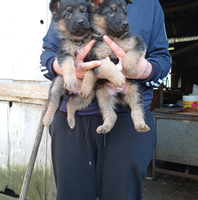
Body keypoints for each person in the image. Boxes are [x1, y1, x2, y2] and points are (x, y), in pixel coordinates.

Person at [40, 0, 171, 199]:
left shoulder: (149, 4)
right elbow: (47, 55)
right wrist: (67, 69)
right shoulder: (71, 2)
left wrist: (141, 69)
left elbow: (162, 59)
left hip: (127, 121)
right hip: (71, 122)